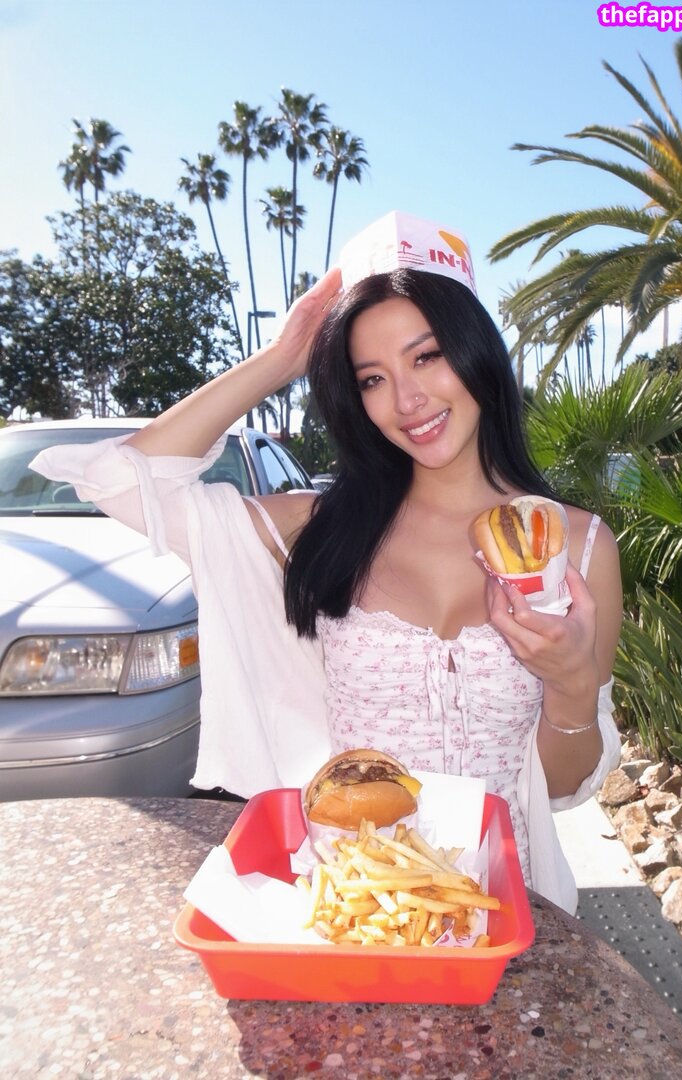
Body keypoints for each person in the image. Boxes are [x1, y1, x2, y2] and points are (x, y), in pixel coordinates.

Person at [31, 217, 622, 913]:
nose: (406, 400)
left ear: (476, 351)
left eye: (427, 356)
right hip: (351, 912)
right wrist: (281, 359)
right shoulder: (319, 528)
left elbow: (562, 788)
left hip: (505, 916)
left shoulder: (574, 546)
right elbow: (120, 483)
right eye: (372, 378)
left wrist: (570, 682)